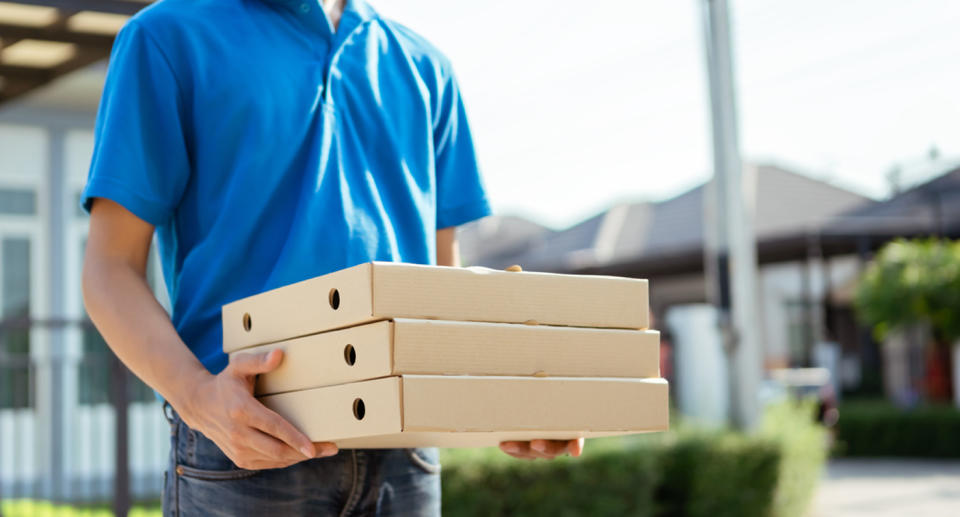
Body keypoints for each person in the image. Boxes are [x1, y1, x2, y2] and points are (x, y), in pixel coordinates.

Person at [80, 0, 583, 515]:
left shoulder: (426, 66)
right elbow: (109, 267)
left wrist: (508, 402)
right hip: (247, 448)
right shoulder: (167, 36)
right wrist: (196, 397)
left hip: (405, 454)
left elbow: (441, 285)